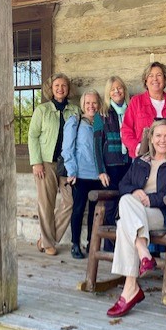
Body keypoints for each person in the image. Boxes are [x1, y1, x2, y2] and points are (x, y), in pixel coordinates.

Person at [106, 120, 166, 318]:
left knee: (124, 221)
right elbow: (123, 185)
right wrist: (135, 191)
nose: (162, 140)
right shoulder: (141, 161)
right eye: (158, 136)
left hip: (163, 213)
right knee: (127, 202)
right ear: (151, 139)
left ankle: (135, 278)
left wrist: (152, 198)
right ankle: (138, 264)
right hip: (138, 213)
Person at [28, 73, 80, 256]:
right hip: (46, 163)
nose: (60, 88)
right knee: (46, 203)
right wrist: (36, 162)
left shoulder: (74, 110)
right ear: (51, 89)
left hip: (67, 164)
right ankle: (49, 242)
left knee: (70, 202)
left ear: (68, 89)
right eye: (57, 85)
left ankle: (47, 238)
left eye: (64, 85)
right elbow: (32, 136)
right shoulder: (42, 110)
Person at [62, 90, 110, 259]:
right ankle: (75, 244)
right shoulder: (75, 121)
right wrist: (72, 171)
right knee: (78, 210)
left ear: (99, 104)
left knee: (95, 212)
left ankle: (92, 243)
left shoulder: (101, 122)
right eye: (88, 103)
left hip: (98, 175)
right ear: (83, 105)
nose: (91, 106)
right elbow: (68, 149)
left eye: (94, 103)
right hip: (80, 174)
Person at [121, 62, 166, 158]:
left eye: (159, 75)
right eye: (150, 75)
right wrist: (137, 146)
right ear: (146, 80)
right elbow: (126, 130)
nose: (155, 79)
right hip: (142, 155)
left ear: (165, 79)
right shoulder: (136, 101)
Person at [102, 76, 132, 235]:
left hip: (129, 162)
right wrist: (101, 170)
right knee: (111, 203)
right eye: (112, 89)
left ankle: (125, 238)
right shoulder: (103, 113)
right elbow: (97, 145)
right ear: (108, 93)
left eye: (119, 88)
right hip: (111, 164)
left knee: (127, 200)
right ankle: (109, 242)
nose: (116, 91)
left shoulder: (131, 109)